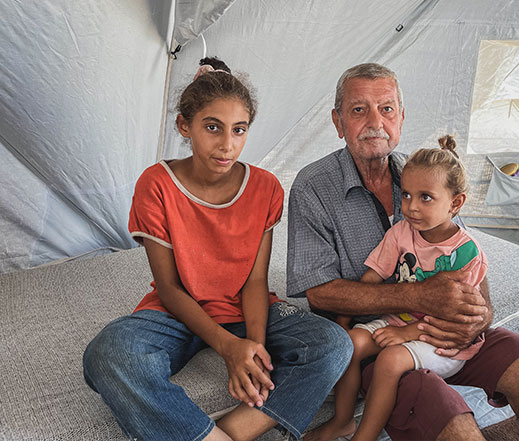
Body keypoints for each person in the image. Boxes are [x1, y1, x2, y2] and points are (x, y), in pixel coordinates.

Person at [287, 62, 519, 440]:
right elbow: (319, 291)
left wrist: (479, 315)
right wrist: (419, 297)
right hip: (379, 339)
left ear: (400, 117)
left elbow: (465, 257)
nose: (375, 121)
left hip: (440, 331)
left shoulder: (421, 173)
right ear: (338, 122)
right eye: (358, 109)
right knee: (435, 398)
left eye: (386, 108)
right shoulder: (313, 186)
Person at [83, 57, 353, 441]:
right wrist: (228, 348)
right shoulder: (156, 184)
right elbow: (169, 287)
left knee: (332, 344)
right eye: (213, 127)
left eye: (239, 130)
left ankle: (234, 432)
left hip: (247, 309)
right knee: (108, 355)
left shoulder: (266, 188)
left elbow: (256, 280)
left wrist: (252, 348)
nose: (227, 145)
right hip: (176, 312)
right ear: (185, 126)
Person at [306, 135, 490, 441]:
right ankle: (343, 420)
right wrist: (344, 318)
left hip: (443, 339)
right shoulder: (401, 232)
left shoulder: (465, 253)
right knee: (350, 344)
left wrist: (408, 334)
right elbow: (373, 276)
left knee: (391, 360)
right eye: (406, 195)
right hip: (401, 320)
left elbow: (459, 316)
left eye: (425, 197)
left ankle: (364, 436)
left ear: (455, 203)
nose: (411, 207)